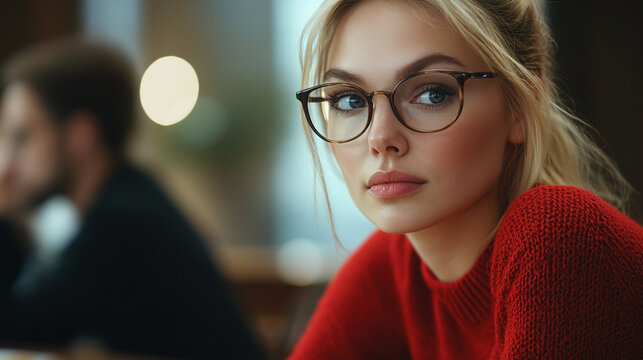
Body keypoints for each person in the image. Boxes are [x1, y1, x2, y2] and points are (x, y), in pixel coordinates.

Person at [289, 0, 643, 359]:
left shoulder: (558, 235)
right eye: (348, 100)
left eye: (432, 93)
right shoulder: (395, 265)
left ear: (520, 108)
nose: (380, 138)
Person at [0, 39, 263, 360]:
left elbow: (18, 328)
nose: (7, 163)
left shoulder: (121, 225)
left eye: (21, 138)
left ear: (81, 135)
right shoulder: (129, 197)